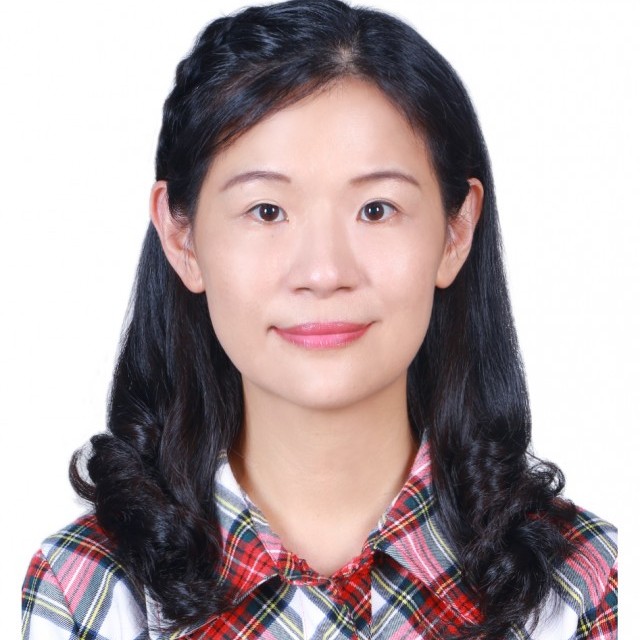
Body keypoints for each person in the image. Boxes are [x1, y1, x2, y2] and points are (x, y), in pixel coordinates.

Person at [20, 0, 617, 638]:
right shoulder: (89, 589)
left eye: (376, 209)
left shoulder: (580, 584)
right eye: (267, 211)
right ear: (181, 237)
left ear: (456, 231)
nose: (324, 271)